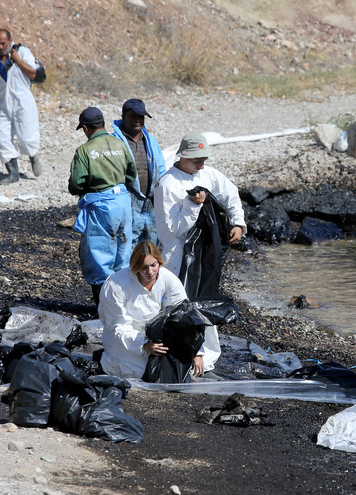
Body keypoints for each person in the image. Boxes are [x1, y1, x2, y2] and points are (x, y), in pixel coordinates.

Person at [154, 133, 246, 373]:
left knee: (205, 298)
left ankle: (206, 353)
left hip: (204, 252)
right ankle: (184, 352)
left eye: (203, 159)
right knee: (178, 303)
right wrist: (193, 206)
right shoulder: (168, 184)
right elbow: (174, 228)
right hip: (177, 254)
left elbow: (230, 193)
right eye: (196, 159)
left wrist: (237, 223)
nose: (201, 164)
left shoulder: (208, 175)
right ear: (183, 156)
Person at [99, 241, 207, 379]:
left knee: (180, 372)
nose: (150, 272)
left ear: (159, 262)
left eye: (153, 265)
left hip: (154, 337)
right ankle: (106, 359)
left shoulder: (168, 278)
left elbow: (184, 315)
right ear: (134, 266)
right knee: (142, 374)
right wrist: (144, 345)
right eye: (143, 267)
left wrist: (196, 352)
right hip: (124, 342)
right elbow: (117, 326)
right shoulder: (115, 286)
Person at [68, 107, 138, 307]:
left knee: (99, 254)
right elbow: (131, 175)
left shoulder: (84, 151)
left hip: (102, 205)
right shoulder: (119, 143)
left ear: (85, 127)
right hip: (123, 202)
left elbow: (76, 183)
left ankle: (105, 307)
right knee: (123, 252)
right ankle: (124, 304)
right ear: (102, 124)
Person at [0, 28, 42, 184]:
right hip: (2, 103)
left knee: (26, 137)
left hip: (22, 101)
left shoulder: (22, 52)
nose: (0, 47)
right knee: (3, 138)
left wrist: (18, 60)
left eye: (3, 43)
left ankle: (33, 156)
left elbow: (33, 74)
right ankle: (13, 173)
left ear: (10, 41)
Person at [109, 99, 166, 247]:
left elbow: (161, 169)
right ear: (123, 116)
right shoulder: (113, 142)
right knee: (126, 245)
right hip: (127, 202)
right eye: (132, 116)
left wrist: (160, 195)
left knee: (152, 246)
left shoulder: (151, 141)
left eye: (140, 117)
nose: (137, 120)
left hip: (150, 203)